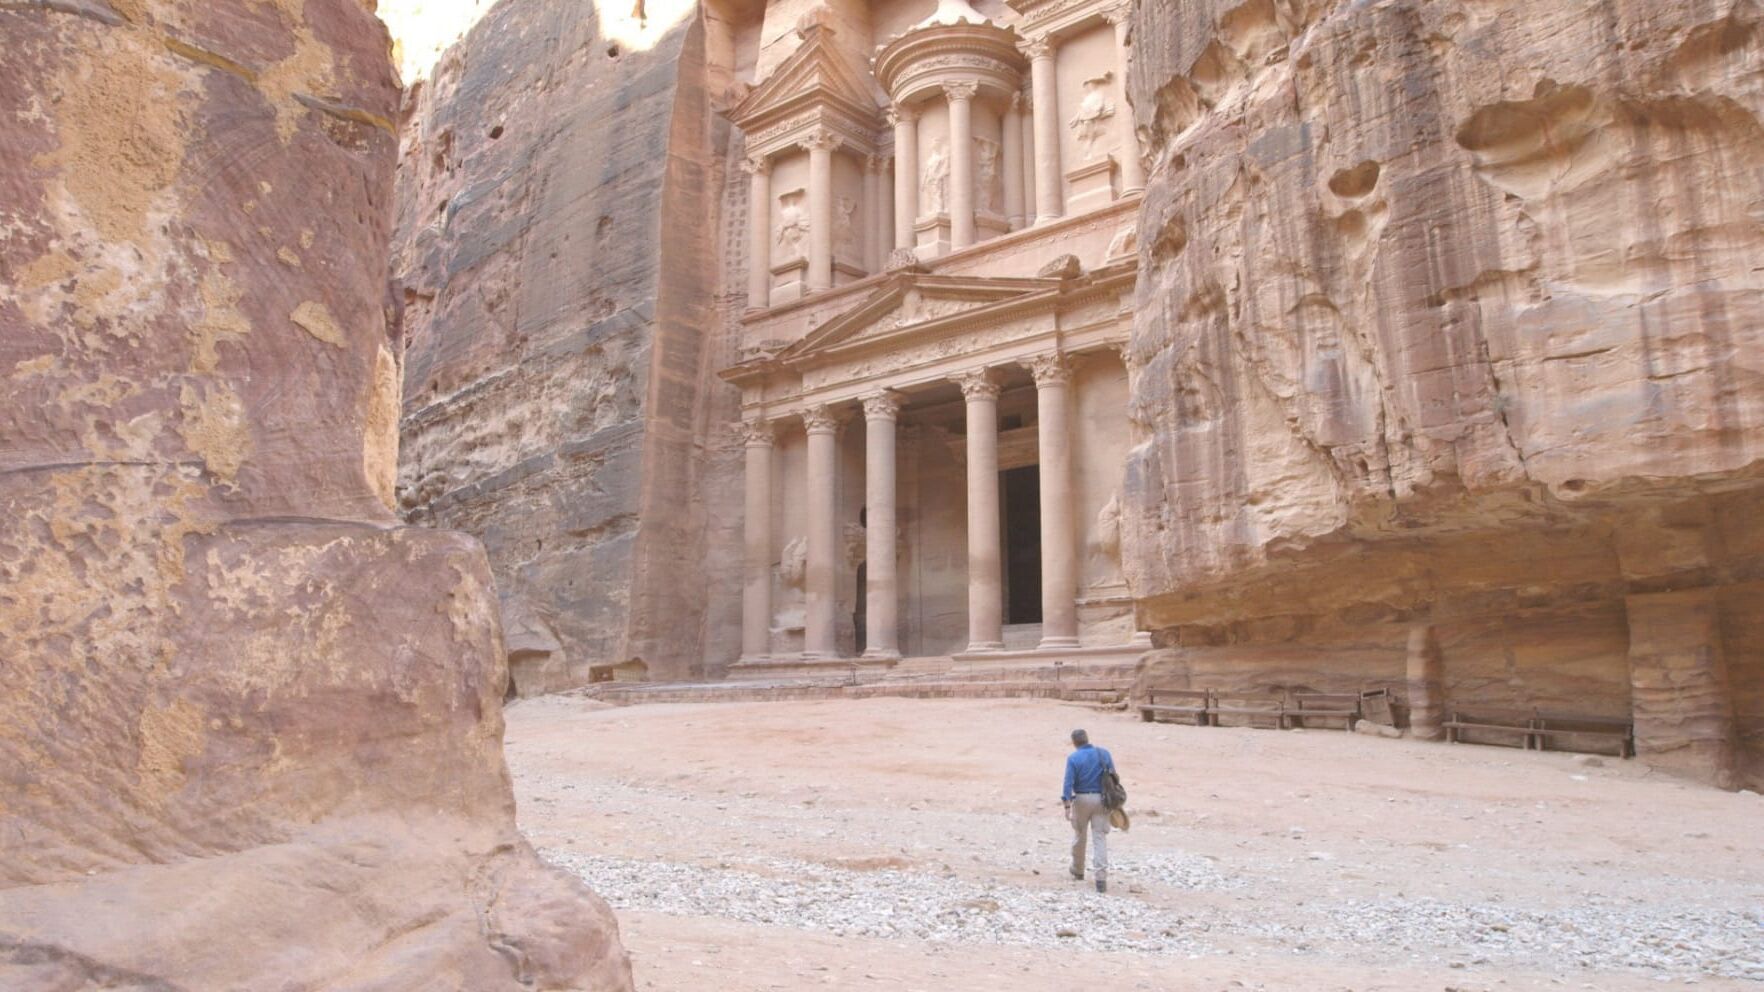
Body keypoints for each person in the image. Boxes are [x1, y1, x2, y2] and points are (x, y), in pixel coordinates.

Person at [1061, 728, 1116, 893]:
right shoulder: (1104, 754)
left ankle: (1078, 869)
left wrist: (1067, 805)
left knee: (1080, 835)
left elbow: (1068, 783)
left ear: (1074, 743)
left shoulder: (1073, 758)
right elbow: (1114, 777)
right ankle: (1101, 878)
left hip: (1081, 799)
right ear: (1087, 739)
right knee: (1099, 838)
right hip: (1102, 799)